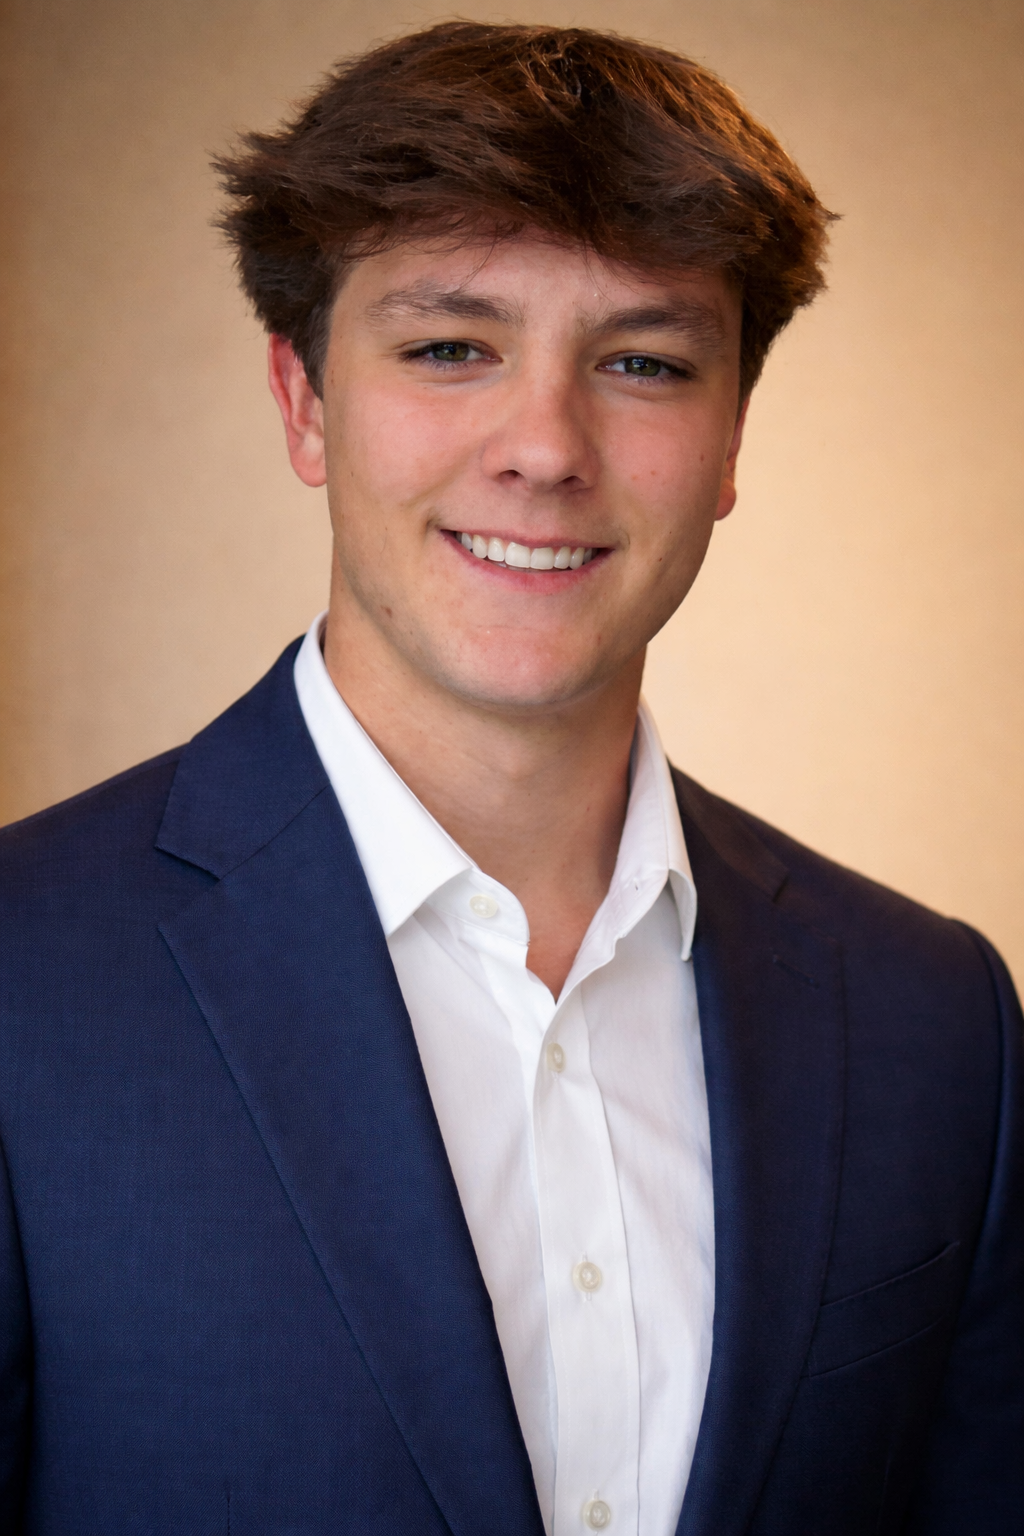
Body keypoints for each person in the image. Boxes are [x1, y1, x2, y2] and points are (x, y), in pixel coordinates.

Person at [0, 20, 1019, 1535]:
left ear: (735, 433)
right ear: (304, 400)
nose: (545, 446)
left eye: (645, 362)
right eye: (450, 348)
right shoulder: (21, 969)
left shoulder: (939, 1020)